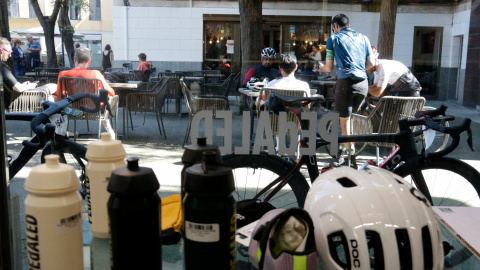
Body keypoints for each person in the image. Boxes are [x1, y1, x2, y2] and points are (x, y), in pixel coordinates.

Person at [318, 13, 374, 161]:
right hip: (363, 84)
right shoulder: (364, 38)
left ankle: (349, 161)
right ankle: (344, 153)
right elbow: (371, 66)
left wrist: (321, 67)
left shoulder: (333, 39)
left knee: (345, 124)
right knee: (349, 121)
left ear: (335, 25)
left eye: (333, 28)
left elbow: (329, 68)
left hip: (346, 83)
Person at [55, 47, 116, 138]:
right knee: (107, 99)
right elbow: (111, 92)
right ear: (89, 61)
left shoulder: (63, 74)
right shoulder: (96, 74)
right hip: (94, 108)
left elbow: (59, 94)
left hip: (73, 109)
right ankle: (109, 131)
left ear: (75, 59)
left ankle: (61, 131)